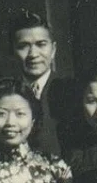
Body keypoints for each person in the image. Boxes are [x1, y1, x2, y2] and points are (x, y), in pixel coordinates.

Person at [10, 10, 80, 156]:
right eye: (23, 46)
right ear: (12, 52)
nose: (33, 54)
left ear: (53, 49)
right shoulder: (7, 95)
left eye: (41, 44)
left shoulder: (73, 91)